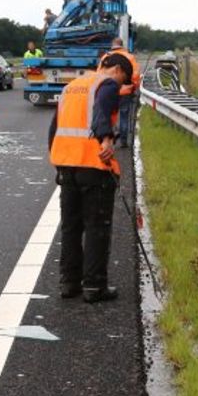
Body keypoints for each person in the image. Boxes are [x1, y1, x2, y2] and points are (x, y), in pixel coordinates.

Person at [47, 53, 133, 303]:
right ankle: (94, 287)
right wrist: (106, 138)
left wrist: (57, 161)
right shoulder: (105, 84)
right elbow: (101, 113)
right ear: (115, 69)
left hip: (66, 166)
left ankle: (68, 283)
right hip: (93, 166)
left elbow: (55, 128)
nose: (120, 85)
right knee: (97, 227)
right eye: (122, 79)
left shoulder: (71, 87)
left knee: (71, 227)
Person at [102, 37, 141, 147]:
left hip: (108, 92)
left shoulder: (105, 57)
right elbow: (136, 75)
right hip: (126, 91)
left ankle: (109, 138)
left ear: (112, 45)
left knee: (108, 115)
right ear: (122, 45)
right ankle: (123, 140)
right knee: (124, 115)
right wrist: (134, 86)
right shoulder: (130, 57)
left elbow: (99, 74)